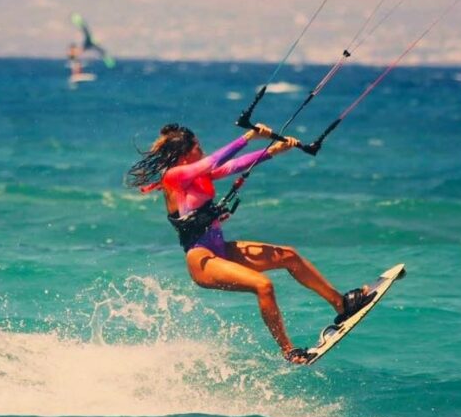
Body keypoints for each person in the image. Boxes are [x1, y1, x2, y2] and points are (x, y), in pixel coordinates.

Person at [126, 123, 373, 364]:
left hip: (220, 250)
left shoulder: (200, 176)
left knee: (288, 255)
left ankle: (340, 304)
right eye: (197, 147)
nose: (201, 150)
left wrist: (271, 152)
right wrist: (248, 137)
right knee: (263, 285)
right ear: (183, 155)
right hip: (202, 260)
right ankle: (288, 350)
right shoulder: (173, 177)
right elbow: (212, 162)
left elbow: (233, 165)